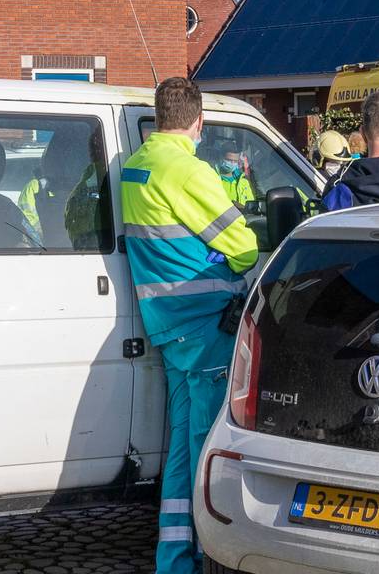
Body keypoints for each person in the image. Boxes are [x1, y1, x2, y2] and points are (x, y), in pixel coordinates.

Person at [120, 77, 259, 574]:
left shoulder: (134, 168)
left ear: (160, 117)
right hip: (206, 329)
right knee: (207, 447)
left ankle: (174, 559)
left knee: (181, 449)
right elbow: (242, 248)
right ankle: (208, 556)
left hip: (167, 326)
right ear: (198, 121)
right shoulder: (188, 171)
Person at [215, 142, 255, 206]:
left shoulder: (244, 181)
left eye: (235, 161)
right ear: (221, 158)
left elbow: (252, 207)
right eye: (228, 160)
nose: (232, 163)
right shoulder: (212, 178)